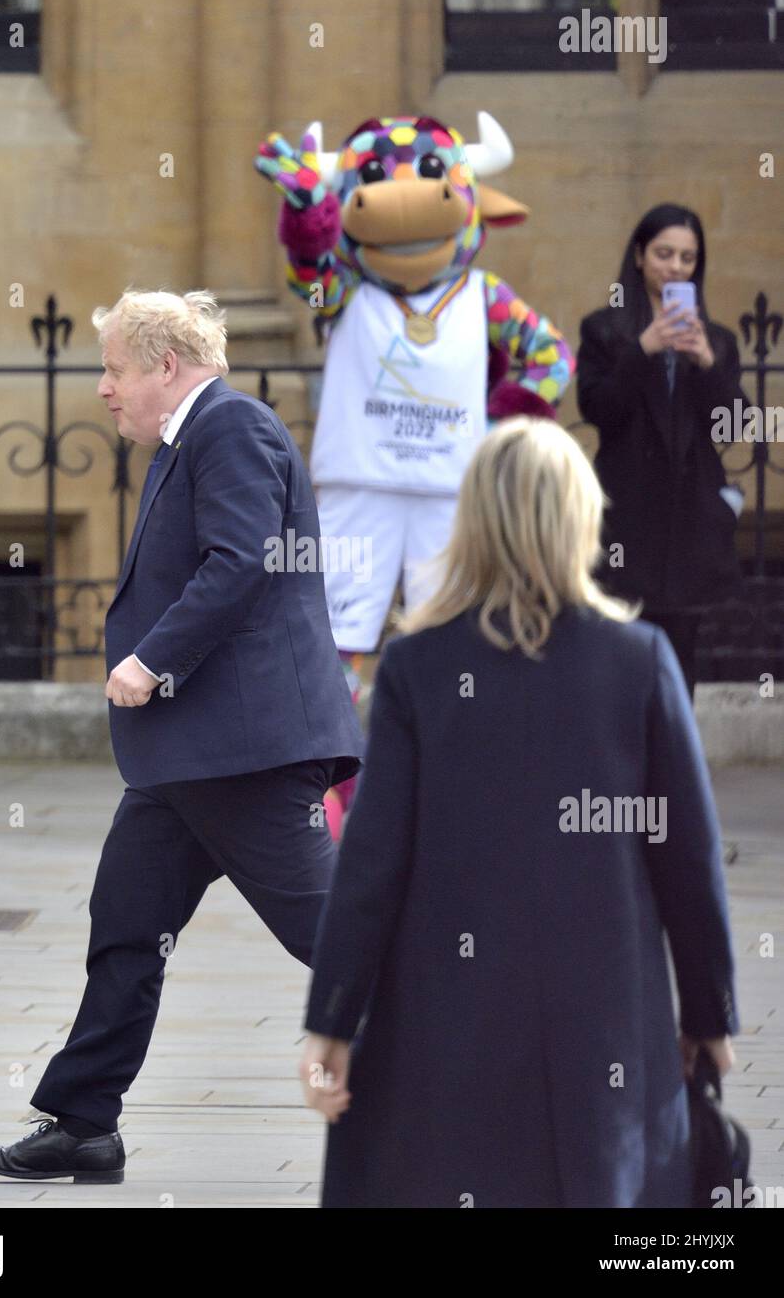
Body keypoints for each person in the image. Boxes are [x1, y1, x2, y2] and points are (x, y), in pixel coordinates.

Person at [0, 289, 363, 1184]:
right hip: (191, 759)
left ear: (164, 367)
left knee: (340, 931)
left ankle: (473, 1065)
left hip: (246, 751)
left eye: (113, 368)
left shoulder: (230, 428)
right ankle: (82, 1124)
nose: (104, 388)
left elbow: (242, 562)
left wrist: (150, 661)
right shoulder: (190, 440)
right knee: (128, 924)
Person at [298, 417, 738, 1209]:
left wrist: (332, 1019)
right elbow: (688, 858)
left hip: (447, 1013)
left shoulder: (417, 665)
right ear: (580, 519)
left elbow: (372, 861)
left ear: (475, 523)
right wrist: (709, 1014)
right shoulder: (638, 661)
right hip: (603, 1014)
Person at [576, 203, 746, 695]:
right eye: (664, 254)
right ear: (639, 255)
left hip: (689, 519)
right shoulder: (604, 330)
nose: (675, 267)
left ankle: (675, 764)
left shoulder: (717, 340)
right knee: (619, 651)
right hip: (629, 516)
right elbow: (598, 409)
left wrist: (708, 362)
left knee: (680, 659)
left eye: (687, 258)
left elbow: (732, 426)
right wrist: (642, 350)